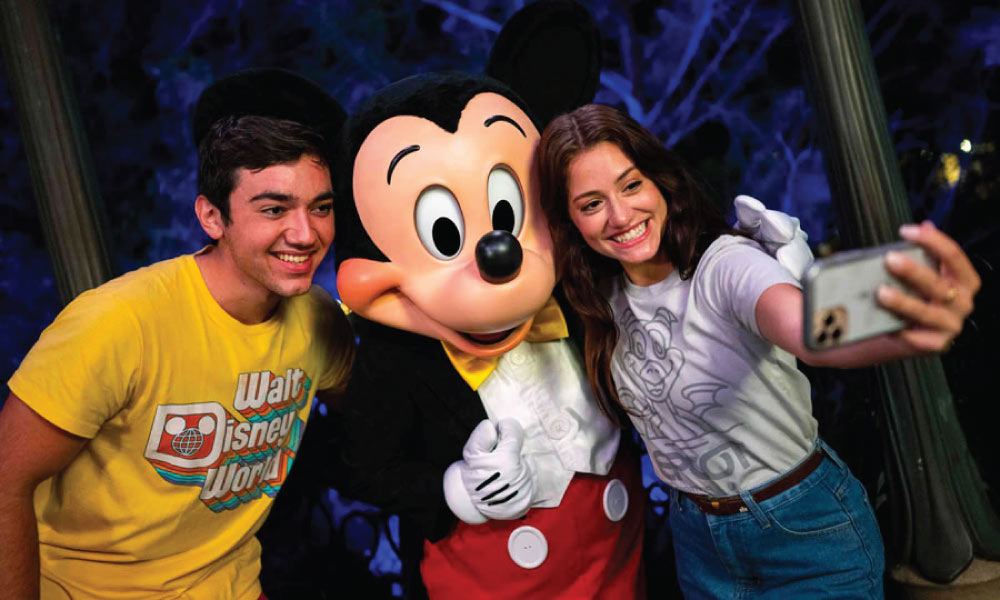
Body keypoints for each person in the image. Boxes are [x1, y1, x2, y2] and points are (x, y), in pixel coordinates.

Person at [537, 103, 980, 599]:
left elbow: (804, 325)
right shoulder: (600, 302)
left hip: (804, 531)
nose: (620, 216)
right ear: (569, 219)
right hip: (698, 540)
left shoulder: (726, 264)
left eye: (632, 184)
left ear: (659, 181)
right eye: (591, 203)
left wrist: (899, 314)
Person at [0, 69, 354, 600]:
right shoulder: (118, 321)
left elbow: (378, 420)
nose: (305, 234)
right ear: (212, 217)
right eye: (274, 209)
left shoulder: (319, 320)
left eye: (320, 208)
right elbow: (7, 480)